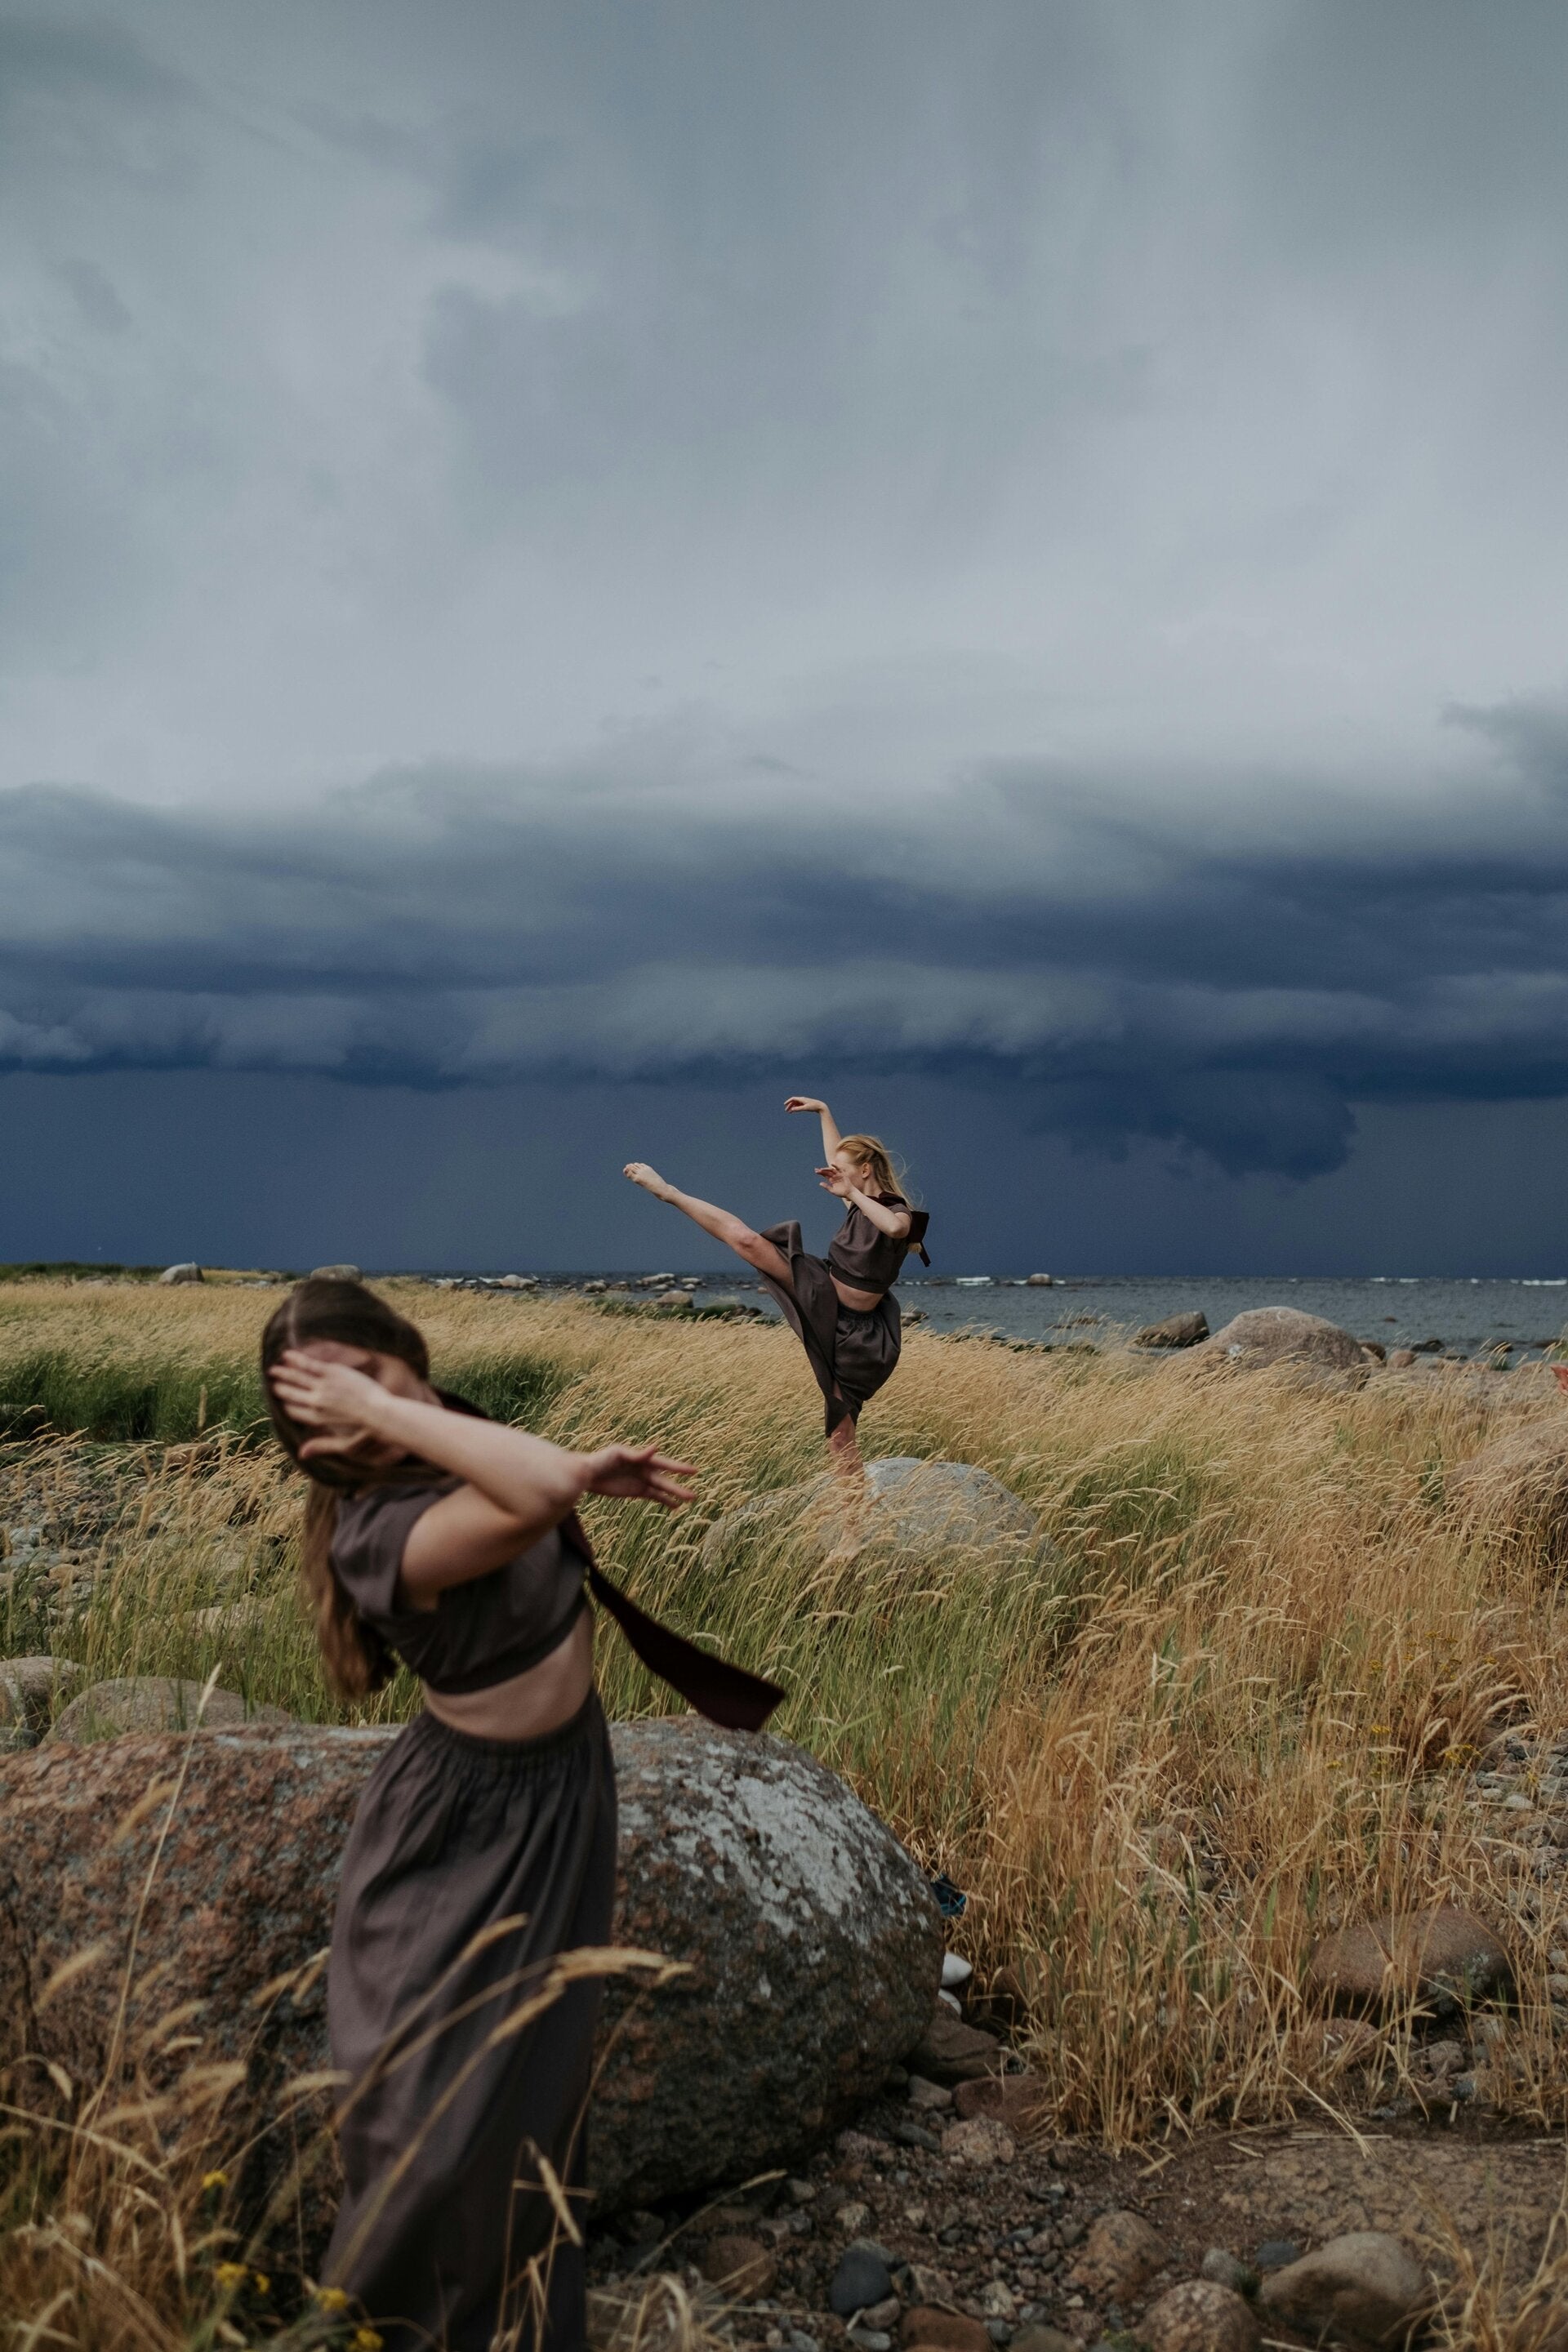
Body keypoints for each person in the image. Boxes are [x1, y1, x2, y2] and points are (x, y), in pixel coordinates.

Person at [261, 1277, 780, 2352]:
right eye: (334, 1403)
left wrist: (576, 1466)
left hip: (559, 1793)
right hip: (465, 1824)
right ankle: (370, 2334)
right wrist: (392, 1409)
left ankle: (527, 2329)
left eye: (374, 1374)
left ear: (406, 1358)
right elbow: (542, 1489)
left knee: (532, 2092)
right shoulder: (378, 1535)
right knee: (425, 2128)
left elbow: (538, 1475)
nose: (365, 1406)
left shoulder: (445, 1441)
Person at [624, 1097, 929, 1470]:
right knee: (748, 1241)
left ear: (865, 1170)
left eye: (843, 1173)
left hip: (858, 1336)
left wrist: (850, 1193)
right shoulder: (858, 1201)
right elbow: (840, 1161)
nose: (834, 1179)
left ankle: (855, 1519)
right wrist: (824, 1112)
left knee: (840, 1433)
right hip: (822, 1291)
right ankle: (669, 1192)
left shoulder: (894, 1209)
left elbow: (897, 1228)